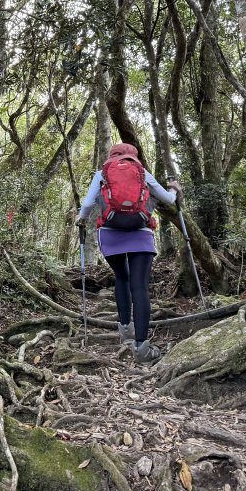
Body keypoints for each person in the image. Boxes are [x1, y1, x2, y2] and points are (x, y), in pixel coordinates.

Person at [75, 143, 181, 364]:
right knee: (139, 286)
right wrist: (174, 189)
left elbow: (86, 205)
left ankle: (125, 331)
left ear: (111, 156)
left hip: (109, 233)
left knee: (121, 277)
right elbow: (168, 199)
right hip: (141, 234)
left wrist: (81, 219)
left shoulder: (102, 174)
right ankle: (142, 349)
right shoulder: (142, 173)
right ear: (134, 156)